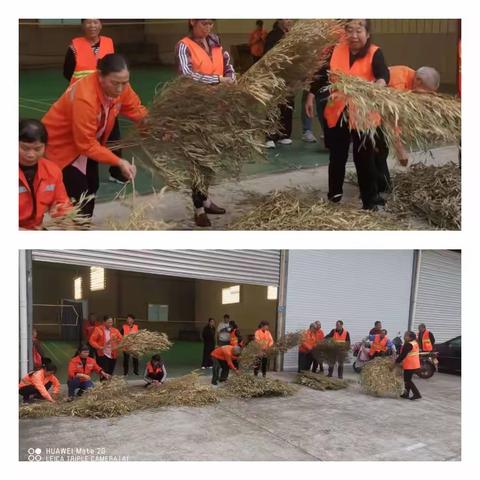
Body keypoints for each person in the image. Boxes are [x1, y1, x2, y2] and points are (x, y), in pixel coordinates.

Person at [42, 53, 147, 217]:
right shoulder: (85, 98)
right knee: (78, 195)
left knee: (91, 187)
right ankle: (76, 231)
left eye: (124, 83)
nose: (120, 89)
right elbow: (85, 144)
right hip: (63, 148)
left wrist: (155, 125)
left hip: (87, 145)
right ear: (100, 76)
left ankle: (84, 228)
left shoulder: (121, 88)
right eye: (115, 83)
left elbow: (134, 108)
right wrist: (118, 161)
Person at [306, 19, 390, 210]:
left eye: (358, 31)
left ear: (367, 34)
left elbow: (383, 75)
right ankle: (334, 196)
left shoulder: (374, 53)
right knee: (337, 157)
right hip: (337, 111)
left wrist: (377, 86)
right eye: (349, 30)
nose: (353, 35)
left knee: (364, 159)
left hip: (363, 114)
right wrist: (311, 95)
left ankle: (369, 201)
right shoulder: (336, 50)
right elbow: (322, 75)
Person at [176, 19, 236, 227]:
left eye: (211, 23)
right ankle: (198, 209)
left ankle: (206, 200)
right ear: (192, 21)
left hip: (217, 108)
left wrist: (230, 77)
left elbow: (227, 64)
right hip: (195, 111)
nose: (208, 27)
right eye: (204, 23)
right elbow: (188, 75)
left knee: (210, 159)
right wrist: (218, 80)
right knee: (198, 160)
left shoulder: (215, 42)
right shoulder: (184, 45)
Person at [62, 18, 125, 184]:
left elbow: (116, 67)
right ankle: (83, 175)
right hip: (84, 102)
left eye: (96, 22)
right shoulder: (74, 46)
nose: (92, 26)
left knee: (114, 137)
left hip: (108, 100)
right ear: (83, 25)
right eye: (88, 22)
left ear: (101, 24)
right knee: (86, 140)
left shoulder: (109, 43)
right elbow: (67, 72)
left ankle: (117, 171)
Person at [374, 65, 441, 191]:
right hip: (367, 114)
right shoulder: (398, 83)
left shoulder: (412, 78)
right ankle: (375, 188)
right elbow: (390, 117)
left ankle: (381, 185)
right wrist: (400, 149)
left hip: (378, 114)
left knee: (380, 150)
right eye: (426, 92)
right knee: (376, 149)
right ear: (419, 81)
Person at [19, 119, 72, 230]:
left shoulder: (52, 171)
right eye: (24, 148)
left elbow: (62, 203)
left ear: (45, 146)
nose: (31, 155)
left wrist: (66, 219)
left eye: (37, 149)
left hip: (36, 228)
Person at [264, 19, 294, 149]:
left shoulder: (292, 34)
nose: (289, 20)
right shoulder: (273, 35)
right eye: (286, 18)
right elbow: (268, 56)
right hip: (275, 75)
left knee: (287, 105)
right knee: (273, 105)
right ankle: (270, 136)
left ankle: (284, 134)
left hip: (289, 76)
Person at [395, 331, 422, 400]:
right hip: (414, 364)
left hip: (410, 365)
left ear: (410, 337)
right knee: (407, 379)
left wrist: (396, 362)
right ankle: (406, 394)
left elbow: (402, 355)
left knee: (407, 380)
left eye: (405, 335)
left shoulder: (408, 345)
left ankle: (417, 394)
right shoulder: (415, 343)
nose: (404, 337)